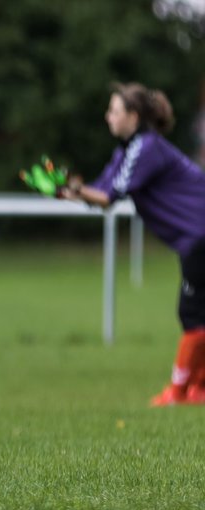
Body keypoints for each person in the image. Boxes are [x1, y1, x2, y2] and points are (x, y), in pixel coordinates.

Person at [59, 82, 205, 406]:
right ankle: (197, 389)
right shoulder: (127, 151)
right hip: (195, 238)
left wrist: (74, 189)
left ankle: (180, 392)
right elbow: (100, 193)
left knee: (192, 313)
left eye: (114, 110)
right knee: (197, 314)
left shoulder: (146, 147)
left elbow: (109, 195)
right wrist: (64, 190)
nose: (107, 116)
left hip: (200, 235)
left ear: (133, 116)